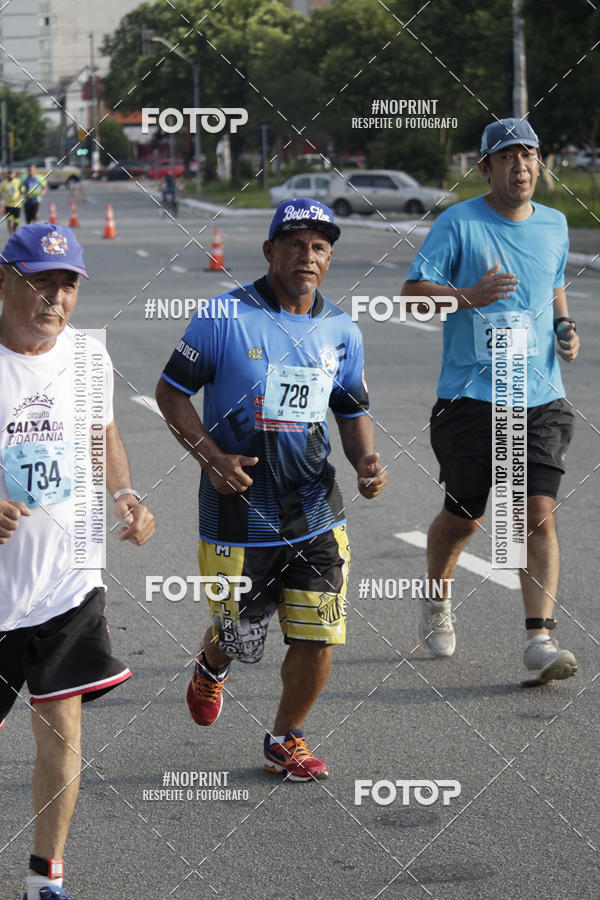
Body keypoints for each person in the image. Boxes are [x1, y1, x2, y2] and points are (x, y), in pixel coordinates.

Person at [156, 198, 386, 780]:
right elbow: (170, 392)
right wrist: (211, 457)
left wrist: (366, 460)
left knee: (318, 634)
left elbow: (352, 407)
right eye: (294, 244)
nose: (307, 256)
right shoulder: (222, 316)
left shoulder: (340, 329)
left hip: (314, 511)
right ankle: (213, 662)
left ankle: (286, 738)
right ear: (269, 251)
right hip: (238, 512)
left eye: (319, 247)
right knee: (240, 631)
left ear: (329, 258)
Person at [0, 223, 155, 900]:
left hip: (67, 580)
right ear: (4, 279)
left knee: (61, 725)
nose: (55, 297)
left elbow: (105, 433)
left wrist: (125, 493)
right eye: (40, 279)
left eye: (66, 284)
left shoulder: (89, 358)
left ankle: (45, 879)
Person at [401, 117, 580, 687]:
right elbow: (410, 298)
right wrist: (467, 296)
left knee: (536, 514)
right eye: (507, 157)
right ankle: (436, 599)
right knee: (465, 520)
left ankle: (540, 639)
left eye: (529, 155)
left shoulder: (555, 223)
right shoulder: (458, 223)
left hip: (541, 395)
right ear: (485, 167)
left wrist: (564, 324)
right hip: (472, 398)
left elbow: (552, 281)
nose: (521, 166)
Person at [0, 169, 23, 235]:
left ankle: (14, 230)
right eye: (9, 174)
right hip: (8, 204)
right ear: (7, 174)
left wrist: (21, 197)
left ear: (14, 174)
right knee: (9, 220)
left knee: (16, 221)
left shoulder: (18, 181)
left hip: (17, 204)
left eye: (11, 173)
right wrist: (1, 199)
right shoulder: (3, 183)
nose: (10, 175)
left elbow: (22, 191)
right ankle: (11, 234)